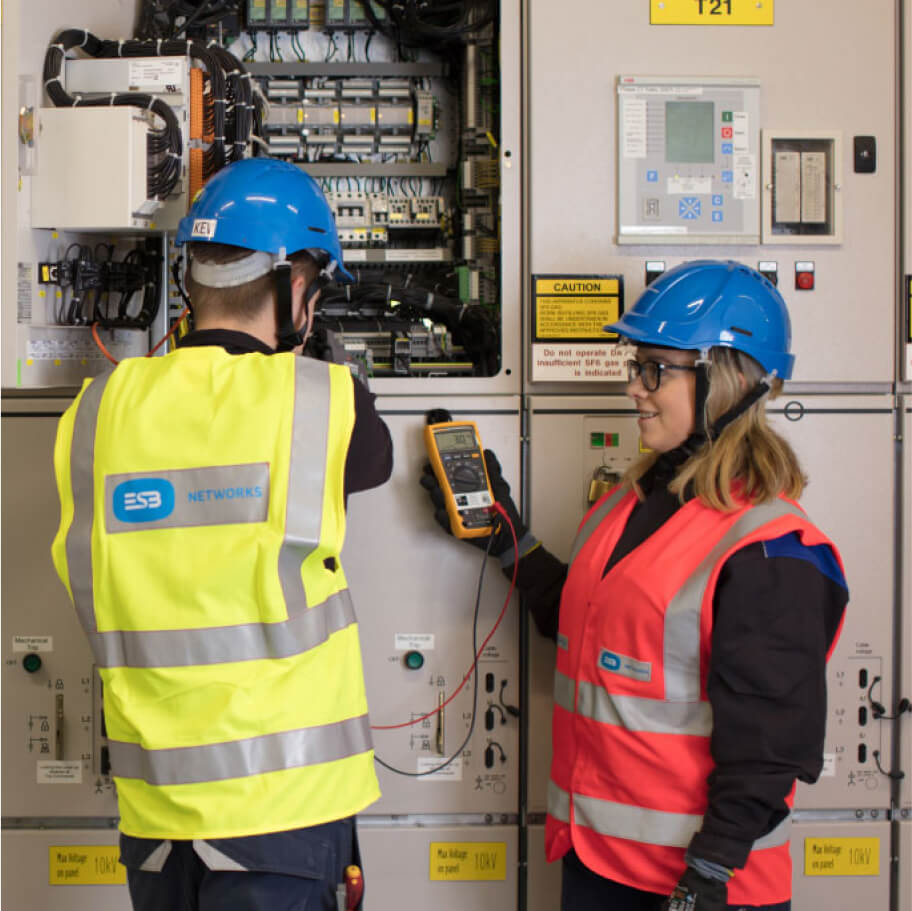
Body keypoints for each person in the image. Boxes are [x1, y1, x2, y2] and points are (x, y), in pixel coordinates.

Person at [421, 260, 848, 911]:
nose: (635, 389)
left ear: (723, 379)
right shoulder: (634, 501)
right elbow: (586, 624)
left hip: (696, 885)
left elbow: (770, 744)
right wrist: (506, 538)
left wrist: (708, 874)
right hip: (600, 863)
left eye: (656, 369)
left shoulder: (768, 549)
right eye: (636, 367)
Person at [51, 157, 393, 911]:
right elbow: (374, 462)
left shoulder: (98, 414)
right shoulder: (324, 402)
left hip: (158, 816)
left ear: (191, 281)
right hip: (284, 813)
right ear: (295, 288)